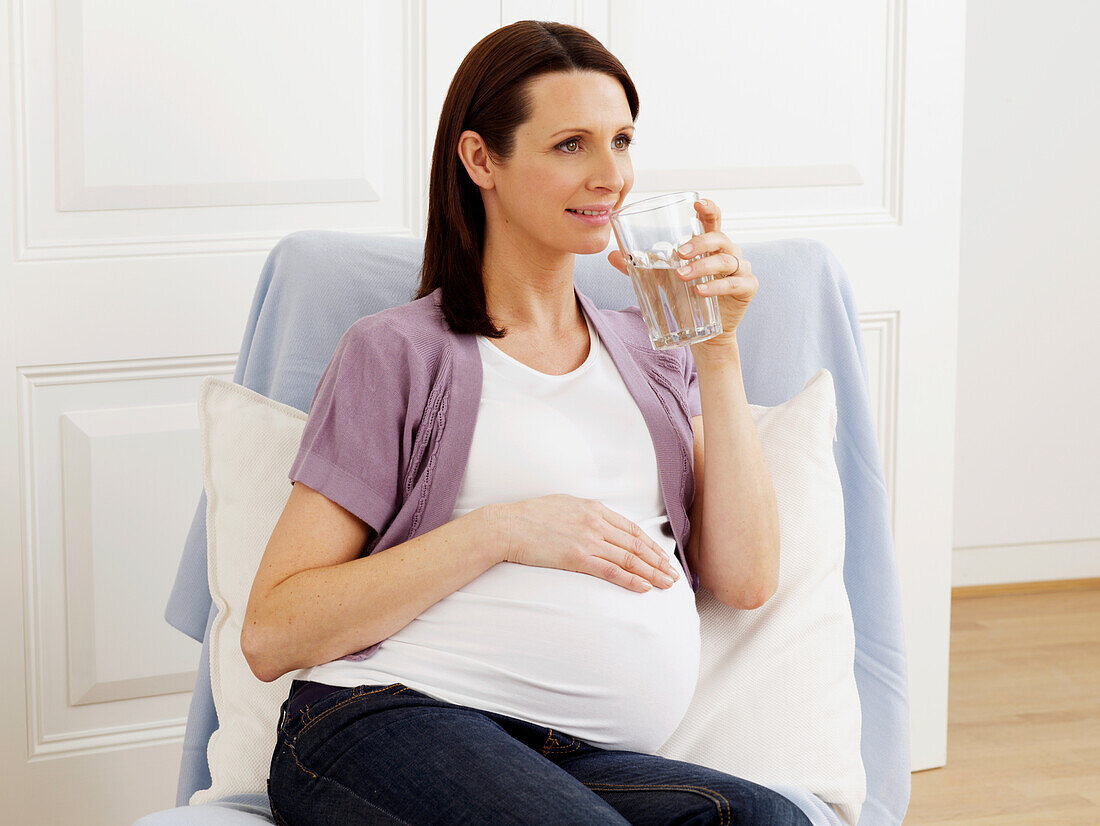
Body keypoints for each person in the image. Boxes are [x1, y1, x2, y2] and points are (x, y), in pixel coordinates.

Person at [248, 19, 801, 826]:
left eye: (621, 140)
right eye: (571, 145)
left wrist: (717, 351)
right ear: (482, 160)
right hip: (381, 723)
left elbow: (745, 578)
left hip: (573, 759)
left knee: (767, 821)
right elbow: (271, 632)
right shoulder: (397, 353)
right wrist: (499, 532)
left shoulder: (653, 351)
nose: (611, 175)